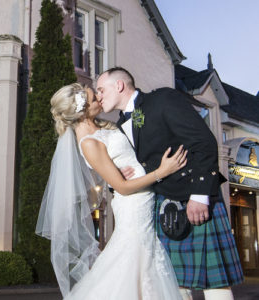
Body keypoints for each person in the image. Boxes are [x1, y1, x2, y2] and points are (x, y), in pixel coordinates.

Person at [96, 67, 244, 300]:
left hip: (192, 194)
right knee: (172, 282)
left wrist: (199, 196)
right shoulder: (119, 125)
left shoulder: (163, 99)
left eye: (101, 89)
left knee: (214, 283)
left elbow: (204, 142)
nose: (98, 96)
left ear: (120, 86)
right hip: (161, 200)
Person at [36, 82, 187, 299]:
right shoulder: (88, 142)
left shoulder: (101, 127)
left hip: (144, 197)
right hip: (133, 203)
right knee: (135, 256)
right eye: (93, 98)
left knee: (143, 258)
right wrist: (161, 171)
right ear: (82, 111)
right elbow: (122, 187)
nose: (99, 97)